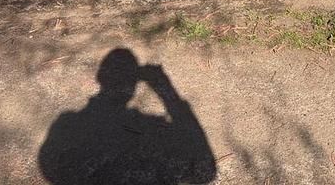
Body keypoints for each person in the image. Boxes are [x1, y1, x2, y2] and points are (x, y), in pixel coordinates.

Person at [38, 48, 216, 184]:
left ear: (100, 78)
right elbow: (204, 170)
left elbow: (53, 169)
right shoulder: (155, 140)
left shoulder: (70, 125)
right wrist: (167, 92)